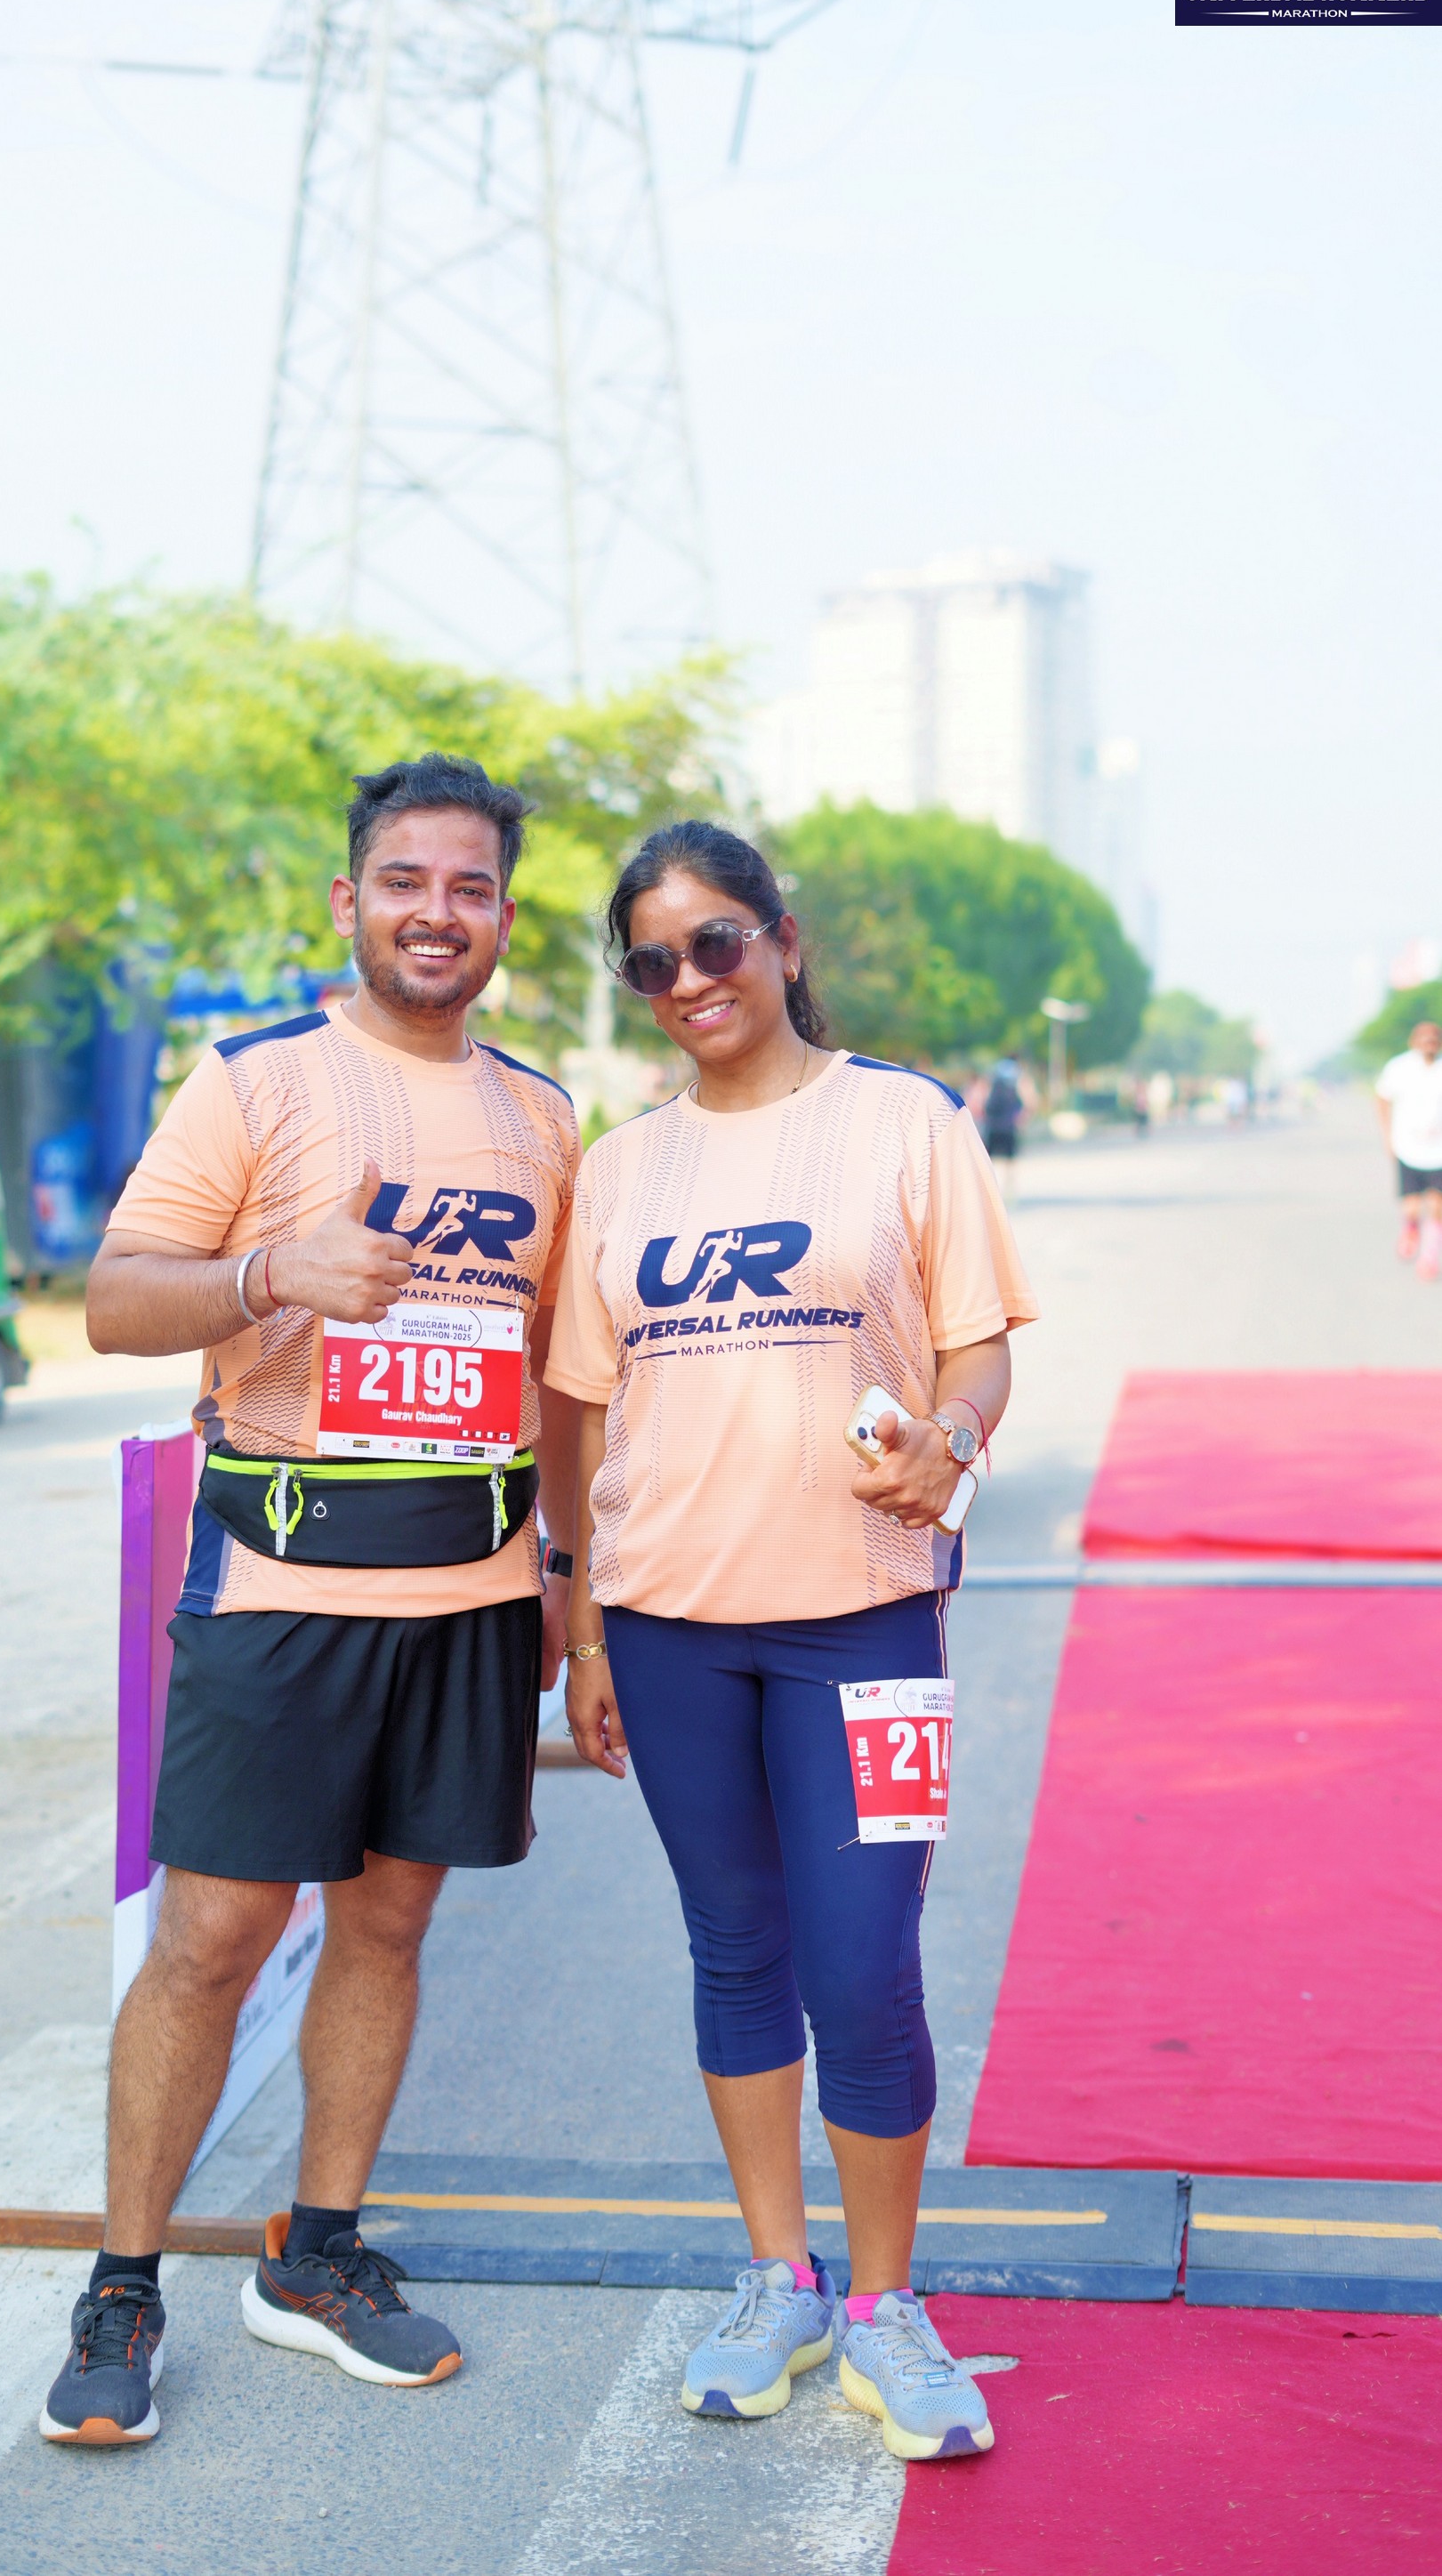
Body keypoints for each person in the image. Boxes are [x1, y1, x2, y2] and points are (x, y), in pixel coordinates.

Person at [37, 755, 579, 2444]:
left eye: (470, 887)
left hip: (473, 1589)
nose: (437, 912)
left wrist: (565, 1577)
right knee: (211, 1937)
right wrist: (271, 1271)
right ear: (350, 901)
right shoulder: (257, 1080)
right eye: (405, 881)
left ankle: (318, 2253)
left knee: (391, 1925)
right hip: (282, 1581)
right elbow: (114, 1302)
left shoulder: (546, 1116)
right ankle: (123, 2282)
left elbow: (561, 1380)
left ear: (503, 918)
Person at [545, 823, 1037, 2459]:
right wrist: (584, 1622)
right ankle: (781, 2276)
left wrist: (951, 1443)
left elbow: (977, 1348)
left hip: (869, 1615)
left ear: (783, 938)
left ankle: (886, 2305)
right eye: (653, 958)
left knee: (863, 1961)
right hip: (670, 1624)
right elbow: (580, 1406)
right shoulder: (621, 1166)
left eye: (717, 941)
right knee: (737, 1950)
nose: (689, 978)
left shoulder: (904, 1121)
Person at [1374, 1020, 1442, 1278]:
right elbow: (1382, 1098)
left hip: (1438, 1152)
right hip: (1409, 1148)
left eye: (1434, 1038)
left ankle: (1430, 1258)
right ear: (1414, 1041)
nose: (1429, 1043)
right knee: (1412, 1207)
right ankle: (1411, 1228)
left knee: (1437, 1206)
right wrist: (1387, 1136)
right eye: (1424, 1038)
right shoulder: (1399, 1068)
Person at [980, 1055, 1027, 1196]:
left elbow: (985, 1105)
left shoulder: (993, 1082)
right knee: (1009, 1162)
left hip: (993, 1126)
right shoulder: (1014, 1084)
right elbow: (1022, 1105)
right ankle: (1009, 1190)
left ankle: (988, 1190)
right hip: (1008, 1127)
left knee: (988, 1160)